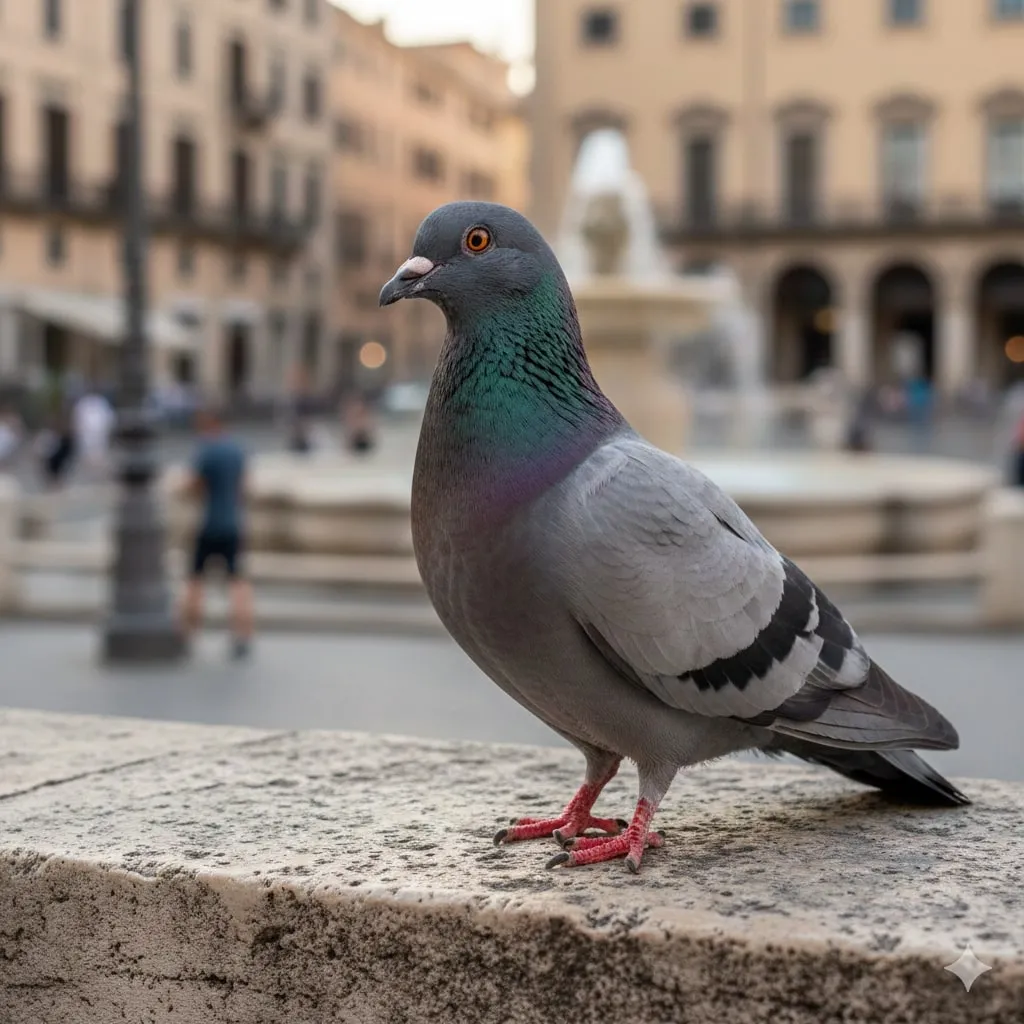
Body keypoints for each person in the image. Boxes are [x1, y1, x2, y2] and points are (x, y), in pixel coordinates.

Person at [180, 408, 253, 659]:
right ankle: (242, 634)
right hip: (233, 523)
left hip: (209, 524)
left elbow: (193, 485)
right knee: (237, 581)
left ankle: (189, 633)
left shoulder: (206, 451)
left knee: (195, 579)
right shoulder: (236, 451)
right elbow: (243, 486)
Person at [72, 388, 116, 482]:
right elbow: (78, 420)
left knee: (98, 454)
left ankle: (98, 475)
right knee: (89, 455)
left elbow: (109, 418)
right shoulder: (84, 403)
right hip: (88, 435)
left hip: (99, 435)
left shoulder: (101, 402)